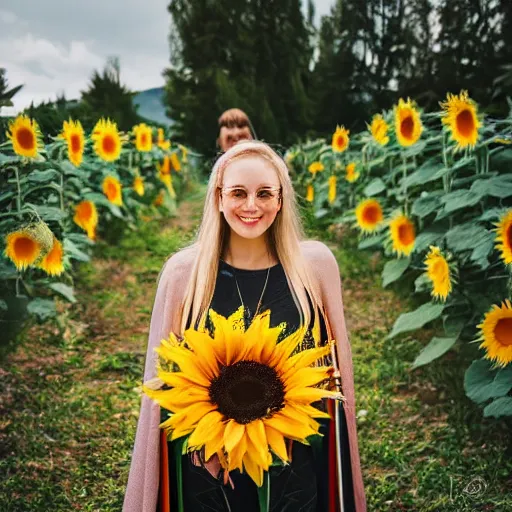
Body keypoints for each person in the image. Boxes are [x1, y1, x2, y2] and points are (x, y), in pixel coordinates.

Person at [123, 140, 367, 512]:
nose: (251, 206)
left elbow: (335, 374)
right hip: (208, 468)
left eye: (264, 193)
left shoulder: (315, 267)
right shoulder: (184, 274)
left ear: (281, 199)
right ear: (218, 198)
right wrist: (204, 442)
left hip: (295, 459)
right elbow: (165, 383)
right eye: (238, 192)